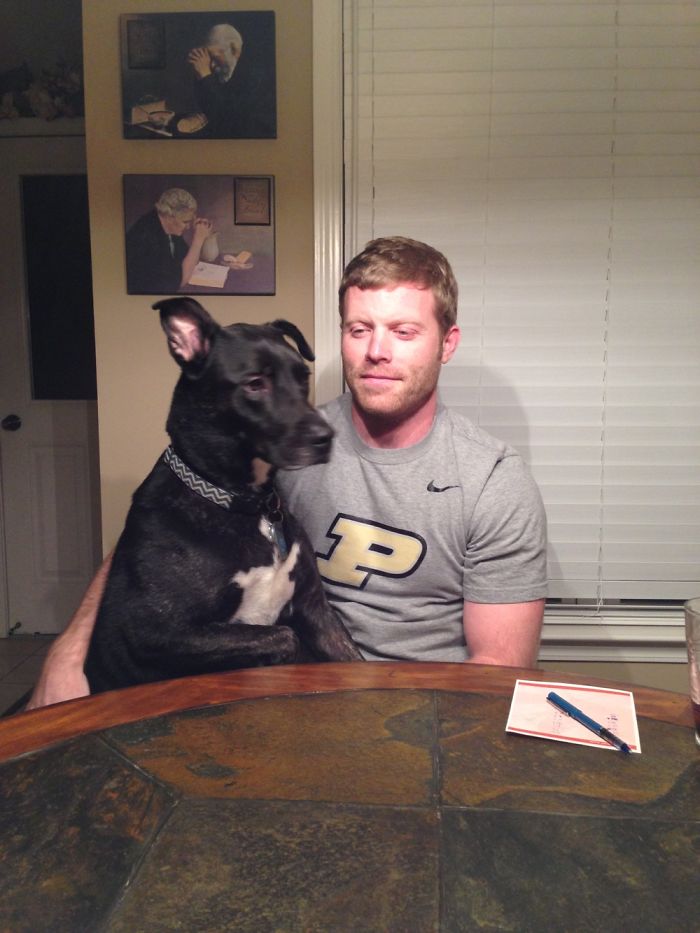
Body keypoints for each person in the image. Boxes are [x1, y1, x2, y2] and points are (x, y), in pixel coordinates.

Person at [27, 237, 547, 708]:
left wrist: (390, 720)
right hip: (277, 694)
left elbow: (498, 673)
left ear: (447, 343)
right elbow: (159, 530)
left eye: (404, 331)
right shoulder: (280, 444)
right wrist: (69, 652)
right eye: (359, 329)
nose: (377, 352)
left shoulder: (491, 481)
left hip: (413, 703)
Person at [187, 23, 276, 139]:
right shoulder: (226, 68)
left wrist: (205, 76)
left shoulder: (256, 74)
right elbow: (208, 109)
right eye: (209, 58)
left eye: (214, 57)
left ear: (234, 49)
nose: (212, 65)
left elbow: (228, 119)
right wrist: (200, 76)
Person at [125, 188, 213, 294]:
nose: (189, 227)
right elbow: (178, 282)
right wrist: (198, 240)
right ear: (169, 216)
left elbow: (186, 258)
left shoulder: (168, 227)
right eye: (185, 222)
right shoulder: (146, 237)